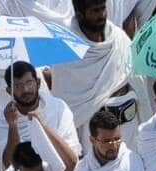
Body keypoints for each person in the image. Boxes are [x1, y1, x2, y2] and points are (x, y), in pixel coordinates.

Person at [50, 0, 133, 147]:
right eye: (95, 11)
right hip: (91, 129)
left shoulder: (118, 38)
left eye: (103, 9)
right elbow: (65, 101)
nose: (102, 15)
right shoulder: (66, 49)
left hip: (127, 122)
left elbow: (134, 76)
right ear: (80, 16)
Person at [0, 61, 79, 171]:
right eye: (18, 86)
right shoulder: (1, 118)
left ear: (38, 83)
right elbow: (8, 165)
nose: (25, 90)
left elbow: (70, 161)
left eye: (29, 83)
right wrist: (13, 125)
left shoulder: (58, 107)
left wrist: (42, 125)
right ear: (8, 90)